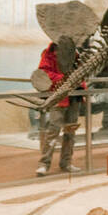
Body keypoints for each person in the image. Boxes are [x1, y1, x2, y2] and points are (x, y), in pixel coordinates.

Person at [36, 38, 81, 176]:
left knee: (70, 132)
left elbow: (81, 71)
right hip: (58, 97)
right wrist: (64, 79)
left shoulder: (76, 54)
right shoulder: (48, 53)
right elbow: (44, 72)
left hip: (74, 96)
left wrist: (78, 83)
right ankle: (44, 163)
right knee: (53, 131)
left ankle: (66, 162)